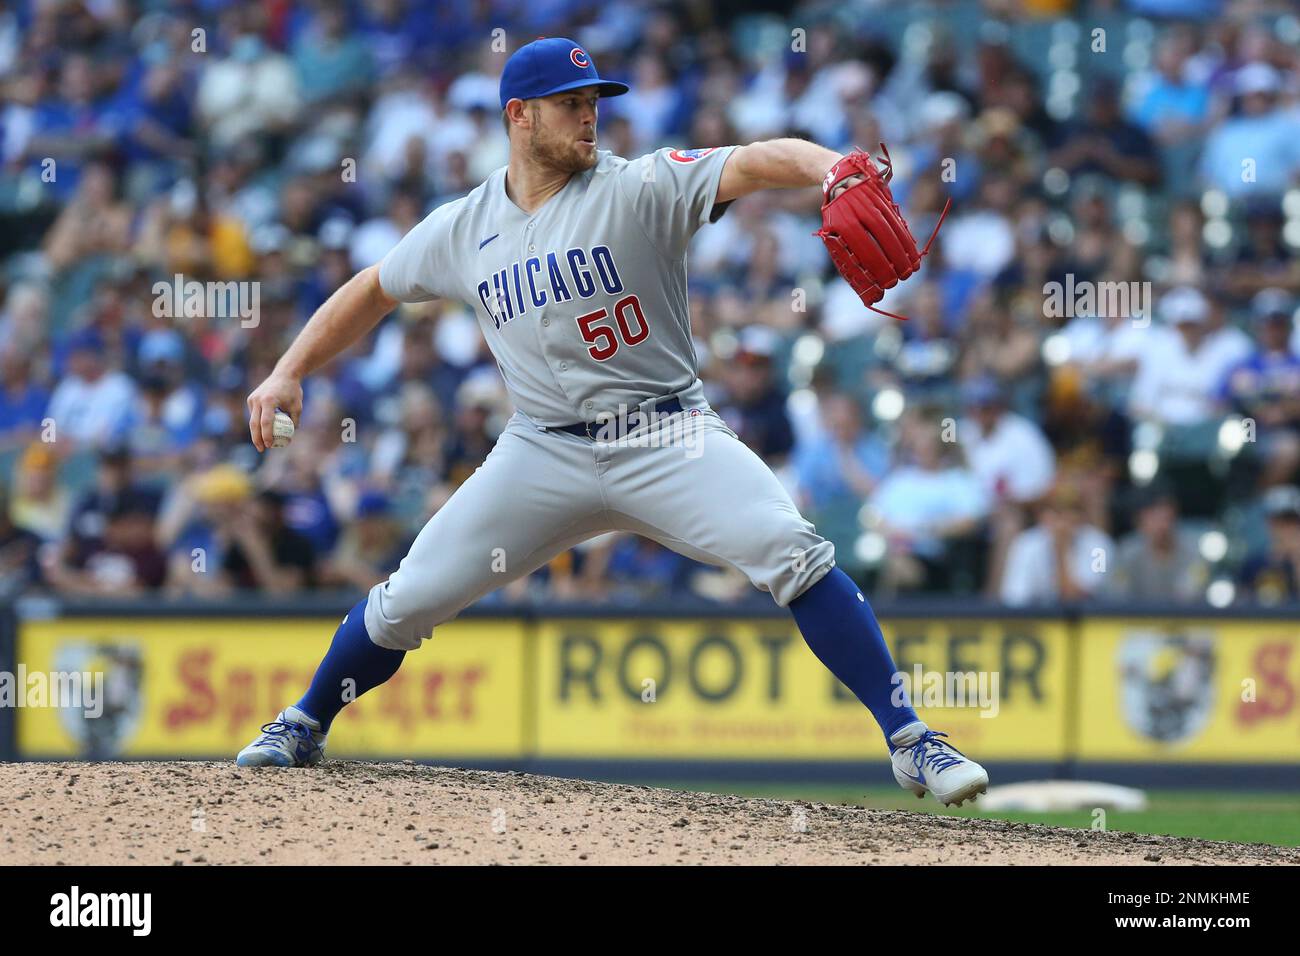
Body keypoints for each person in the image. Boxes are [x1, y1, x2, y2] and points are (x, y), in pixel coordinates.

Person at [234, 38, 988, 806]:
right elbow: (375, 286)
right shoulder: (464, 226)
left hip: (666, 434)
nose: (590, 117)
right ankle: (304, 722)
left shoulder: (640, 187)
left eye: (595, 102)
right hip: (540, 449)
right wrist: (289, 369)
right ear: (518, 117)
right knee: (411, 596)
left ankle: (910, 738)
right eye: (572, 104)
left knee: (791, 550)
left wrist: (831, 167)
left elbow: (757, 159)